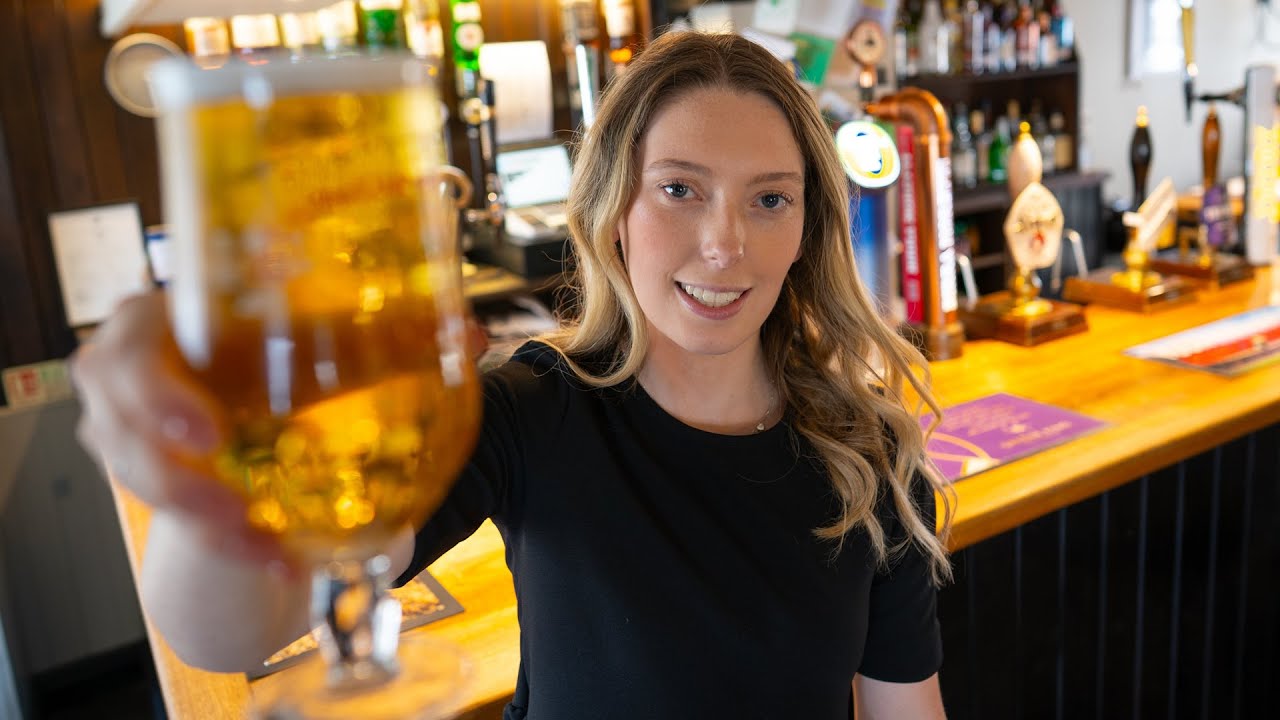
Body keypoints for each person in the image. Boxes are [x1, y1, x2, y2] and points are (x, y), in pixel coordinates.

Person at [73, 30, 953, 720]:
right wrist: (202, 491)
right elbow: (230, 633)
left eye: (769, 198)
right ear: (615, 215)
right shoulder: (533, 411)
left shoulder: (867, 457)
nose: (725, 244)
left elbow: (904, 706)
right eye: (680, 189)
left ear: (806, 228)